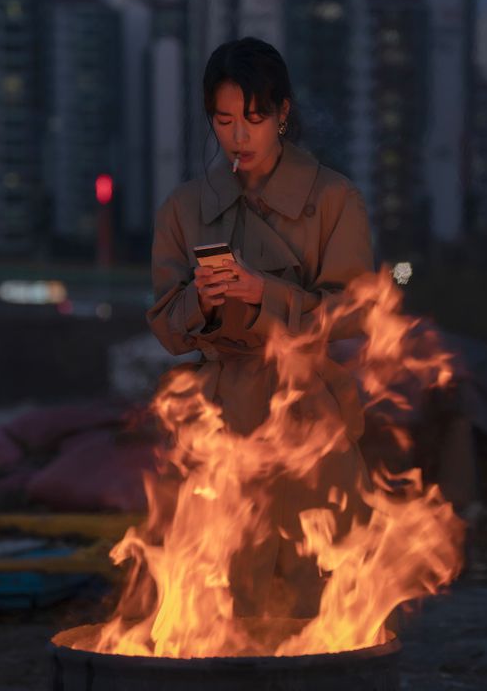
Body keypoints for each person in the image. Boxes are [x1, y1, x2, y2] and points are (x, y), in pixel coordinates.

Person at [146, 36, 376, 619]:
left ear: (283, 114)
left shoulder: (333, 199)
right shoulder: (184, 208)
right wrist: (199, 297)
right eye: (224, 121)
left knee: (317, 595)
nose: (239, 136)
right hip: (219, 416)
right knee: (219, 593)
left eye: (254, 119)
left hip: (309, 413)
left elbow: (352, 314)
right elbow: (167, 329)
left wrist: (262, 292)